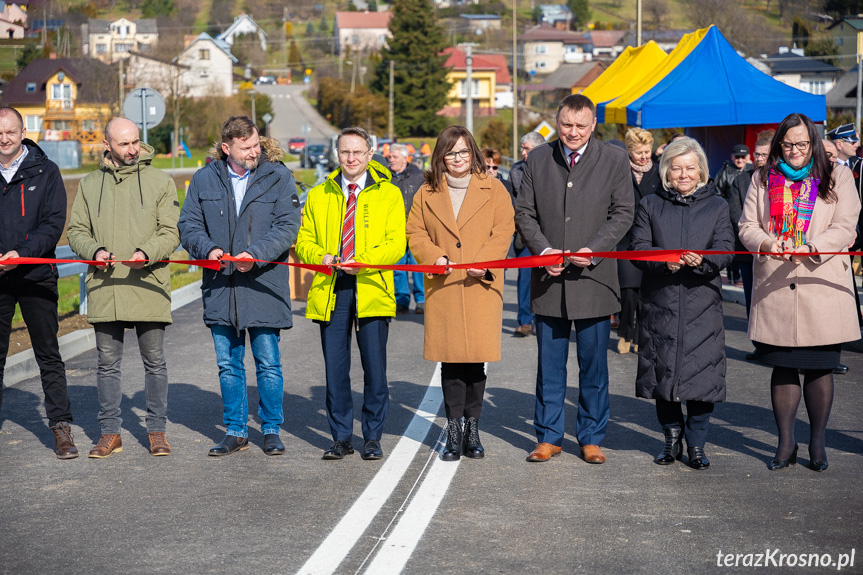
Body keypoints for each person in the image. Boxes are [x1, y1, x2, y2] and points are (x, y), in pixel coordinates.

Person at [515, 94, 634, 464]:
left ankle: (591, 436)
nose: (573, 132)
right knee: (549, 366)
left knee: (593, 365)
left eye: (581, 126)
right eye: (566, 125)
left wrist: (594, 250)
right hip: (548, 281)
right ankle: (548, 436)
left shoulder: (614, 159)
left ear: (593, 125)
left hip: (593, 281)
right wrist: (543, 249)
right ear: (557, 120)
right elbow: (524, 212)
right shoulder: (537, 158)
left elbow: (624, 212)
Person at [739, 113, 861, 472]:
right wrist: (765, 241)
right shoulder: (762, 177)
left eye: (801, 144)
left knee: (820, 368)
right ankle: (785, 442)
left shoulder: (836, 174)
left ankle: (817, 442)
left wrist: (815, 246)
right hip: (776, 283)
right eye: (787, 144)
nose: (794, 151)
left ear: (813, 144)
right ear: (779, 145)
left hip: (821, 283)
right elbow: (747, 225)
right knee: (783, 367)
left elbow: (846, 224)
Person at [178, 116, 301, 457]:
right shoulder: (204, 180)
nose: (254, 152)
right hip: (221, 287)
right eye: (246, 147)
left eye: (257, 144)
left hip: (263, 285)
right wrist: (208, 249)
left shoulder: (278, 176)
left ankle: (272, 429)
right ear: (226, 148)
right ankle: (235, 430)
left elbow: (288, 226)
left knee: (268, 362)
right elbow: (188, 224)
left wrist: (255, 255)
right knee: (229, 364)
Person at [67, 117, 180, 458]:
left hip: (148, 282)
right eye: (123, 144)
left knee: (155, 363)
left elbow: (171, 232)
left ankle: (157, 431)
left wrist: (147, 252)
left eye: (135, 142)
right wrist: (95, 251)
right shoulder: (88, 184)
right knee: (107, 364)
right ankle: (109, 433)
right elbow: (76, 232)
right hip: (106, 287)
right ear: (107, 146)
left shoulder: (161, 181)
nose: (132, 150)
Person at [296, 126, 405, 461]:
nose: (351, 158)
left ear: (370, 154)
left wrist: (366, 262)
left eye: (358, 152)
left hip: (371, 286)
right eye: (345, 152)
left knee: (375, 369)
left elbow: (396, 244)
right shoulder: (319, 194)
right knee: (335, 370)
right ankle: (341, 437)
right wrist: (322, 258)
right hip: (332, 287)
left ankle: (372, 436)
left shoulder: (389, 194)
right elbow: (304, 242)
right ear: (336, 154)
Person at [407, 127, 514, 461]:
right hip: (446, 284)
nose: (457, 159)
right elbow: (415, 230)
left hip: (480, 284)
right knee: (451, 363)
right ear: (441, 156)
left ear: (474, 154)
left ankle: (473, 430)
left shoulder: (494, 189)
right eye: (451, 153)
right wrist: (433, 256)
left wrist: (485, 262)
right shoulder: (426, 192)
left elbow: (504, 228)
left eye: (464, 152)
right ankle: (453, 432)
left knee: (475, 364)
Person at [630, 138, 734, 470]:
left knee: (702, 377)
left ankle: (698, 445)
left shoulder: (717, 206)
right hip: (661, 302)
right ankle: (671, 439)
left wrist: (703, 260)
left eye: (690, 168)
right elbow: (639, 247)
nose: (683, 174)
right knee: (663, 374)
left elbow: (726, 248)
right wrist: (663, 262)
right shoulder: (650, 204)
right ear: (666, 171)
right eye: (676, 168)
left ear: (701, 171)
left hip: (702, 303)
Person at [0, 106, 77, 459]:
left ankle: (61, 428)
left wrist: (21, 253)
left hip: (35, 275)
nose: (4, 139)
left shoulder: (46, 170)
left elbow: (52, 223)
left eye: (10, 132)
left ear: (23, 131)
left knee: (48, 354)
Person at [616, 128, 661, 355]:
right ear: (629, 151)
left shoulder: (659, 172)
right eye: (638, 152)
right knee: (628, 292)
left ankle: (641, 336)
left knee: (646, 293)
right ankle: (625, 331)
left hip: (651, 240)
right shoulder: (620, 171)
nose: (643, 156)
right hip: (624, 239)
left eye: (647, 151)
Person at [728, 131, 774, 317]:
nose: (759, 159)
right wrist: (756, 235)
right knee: (752, 300)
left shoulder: (783, 180)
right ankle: (757, 341)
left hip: (775, 249)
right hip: (748, 250)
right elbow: (735, 213)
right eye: (757, 154)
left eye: (764, 155)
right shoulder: (741, 180)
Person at [508, 132, 547, 337]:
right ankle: (524, 321)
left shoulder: (553, 168)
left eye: (526, 149)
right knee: (524, 279)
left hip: (549, 233)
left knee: (547, 278)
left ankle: (543, 320)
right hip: (524, 234)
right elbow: (514, 201)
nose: (522, 152)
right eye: (522, 148)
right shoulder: (516, 171)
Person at [388, 143, 425, 314]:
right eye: (390, 157)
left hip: (416, 228)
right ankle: (401, 299)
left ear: (405, 158)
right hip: (395, 229)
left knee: (417, 266)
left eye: (394, 157)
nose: (391, 159)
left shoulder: (418, 176)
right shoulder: (386, 177)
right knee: (399, 266)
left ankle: (421, 300)